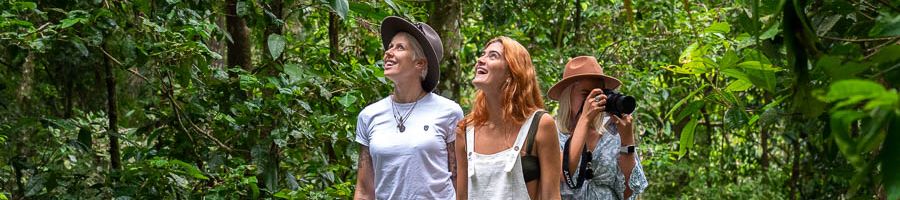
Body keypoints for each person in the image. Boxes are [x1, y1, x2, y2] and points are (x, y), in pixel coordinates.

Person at [353, 16, 463, 200]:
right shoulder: (369, 116)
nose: (388, 52)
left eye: (399, 47)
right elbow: (364, 191)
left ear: (419, 63)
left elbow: (459, 180)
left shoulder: (449, 112)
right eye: (389, 46)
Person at [455, 36, 562, 200]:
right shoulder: (465, 130)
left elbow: (551, 196)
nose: (480, 60)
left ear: (512, 73)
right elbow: (461, 197)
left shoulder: (540, 124)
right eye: (483, 54)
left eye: (493, 56)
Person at [548, 56, 648, 200]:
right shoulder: (551, 133)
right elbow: (562, 173)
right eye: (585, 94)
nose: (593, 101)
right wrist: (585, 119)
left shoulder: (612, 135)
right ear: (567, 95)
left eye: (598, 94)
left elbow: (630, 193)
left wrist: (627, 142)